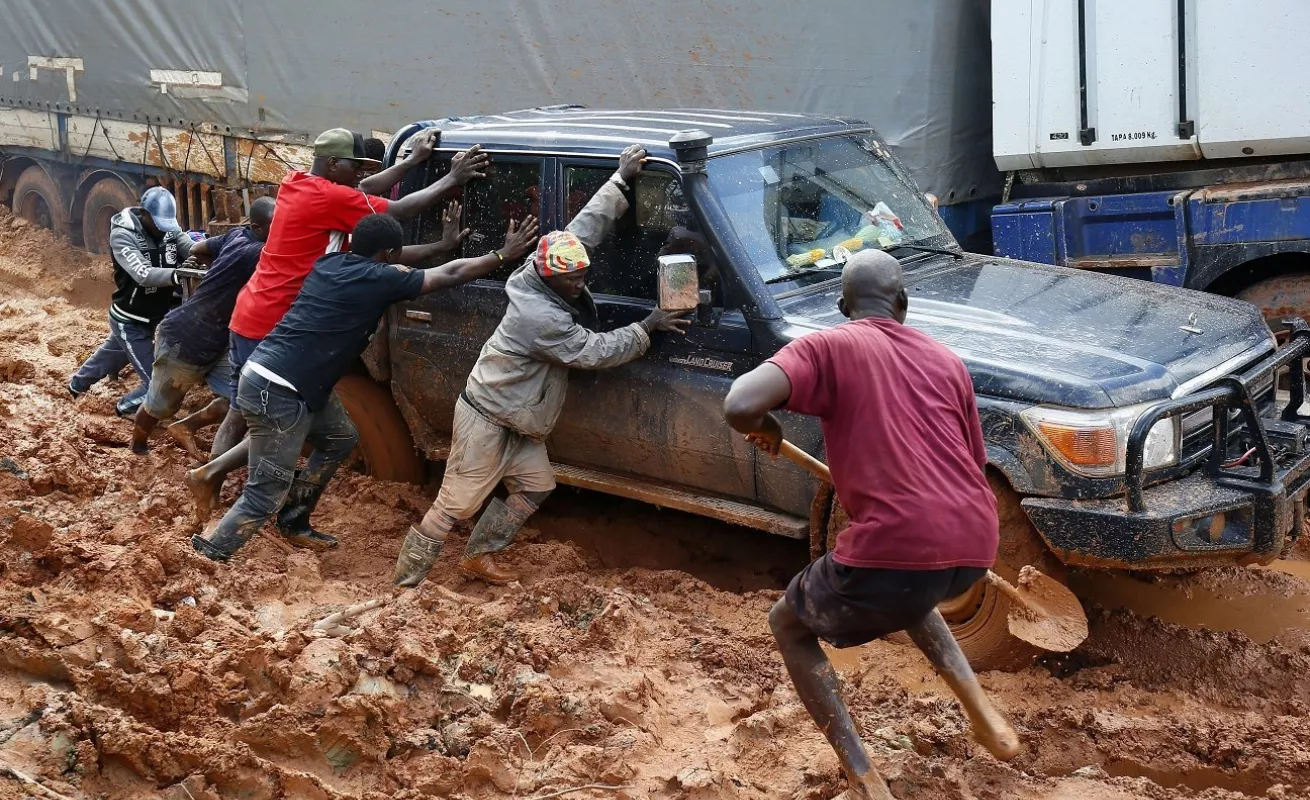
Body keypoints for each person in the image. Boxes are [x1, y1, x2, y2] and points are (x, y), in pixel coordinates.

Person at [721, 250, 1017, 800]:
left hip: (897, 543)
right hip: (974, 542)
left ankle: (863, 777)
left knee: (788, 623)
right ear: (903, 305)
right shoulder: (947, 361)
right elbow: (970, 464)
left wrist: (766, 426)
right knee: (909, 589)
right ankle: (980, 708)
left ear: (841, 306)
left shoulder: (830, 344)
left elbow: (739, 403)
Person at [391, 144, 690, 588]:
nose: (580, 283)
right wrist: (648, 325)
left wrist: (620, 178)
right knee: (453, 506)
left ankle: (480, 557)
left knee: (535, 486)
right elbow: (594, 351)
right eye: (572, 279)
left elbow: (582, 229)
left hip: (518, 418)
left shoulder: (546, 265)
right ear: (549, 277)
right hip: (489, 419)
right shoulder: (539, 316)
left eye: (582, 274)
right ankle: (406, 582)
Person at [190, 211, 540, 561]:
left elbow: (400, 260)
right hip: (281, 390)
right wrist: (502, 256)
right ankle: (209, 556)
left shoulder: (331, 263)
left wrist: (443, 244)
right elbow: (450, 273)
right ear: (388, 255)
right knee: (265, 491)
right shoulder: (379, 279)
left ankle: (294, 521)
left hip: (278, 375)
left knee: (340, 438)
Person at [184, 127, 487, 522]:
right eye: (353, 168)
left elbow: (367, 201)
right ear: (331, 165)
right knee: (251, 415)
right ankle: (215, 487)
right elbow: (397, 212)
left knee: (272, 415)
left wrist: (412, 166)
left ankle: (225, 484)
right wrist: (451, 179)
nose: (359, 176)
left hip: (265, 312)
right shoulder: (330, 200)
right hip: (271, 318)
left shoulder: (303, 185)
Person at [128, 197, 276, 459]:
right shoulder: (253, 253)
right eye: (278, 225)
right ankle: (137, 448)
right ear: (258, 227)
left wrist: (219, 271)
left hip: (217, 342)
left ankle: (186, 427)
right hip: (184, 340)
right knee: (158, 408)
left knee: (242, 397)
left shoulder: (237, 236)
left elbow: (198, 249)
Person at [69, 186, 194, 416]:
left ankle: (75, 386)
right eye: (158, 224)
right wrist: (177, 274)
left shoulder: (169, 230)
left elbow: (190, 248)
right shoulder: (122, 235)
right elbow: (143, 274)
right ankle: (122, 410)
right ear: (144, 215)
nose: (161, 230)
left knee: (112, 354)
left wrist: (212, 251)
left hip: (151, 316)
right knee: (157, 385)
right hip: (129, 320)